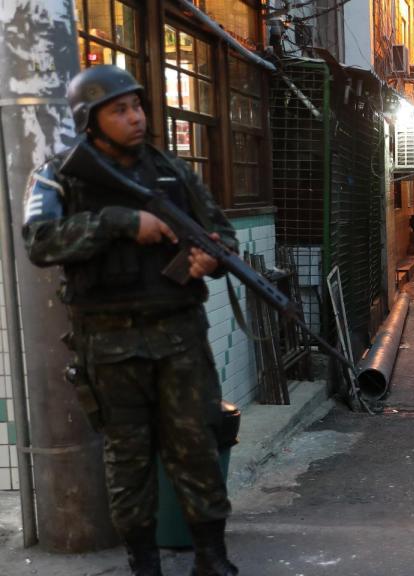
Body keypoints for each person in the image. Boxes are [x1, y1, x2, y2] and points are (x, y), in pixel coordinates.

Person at [22, 65, 240, 576]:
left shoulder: (172, 172)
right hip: (110, 346)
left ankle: (212, 557)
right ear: (90, 120)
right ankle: (144, 563)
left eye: (137, 105)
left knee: (198, 449)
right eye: (119, 110)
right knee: (129, 461)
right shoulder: (59, 175)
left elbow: (222, 235)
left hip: (180, 340)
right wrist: (119, 222)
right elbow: (39, 241)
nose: (135, 117)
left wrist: (210, 259)